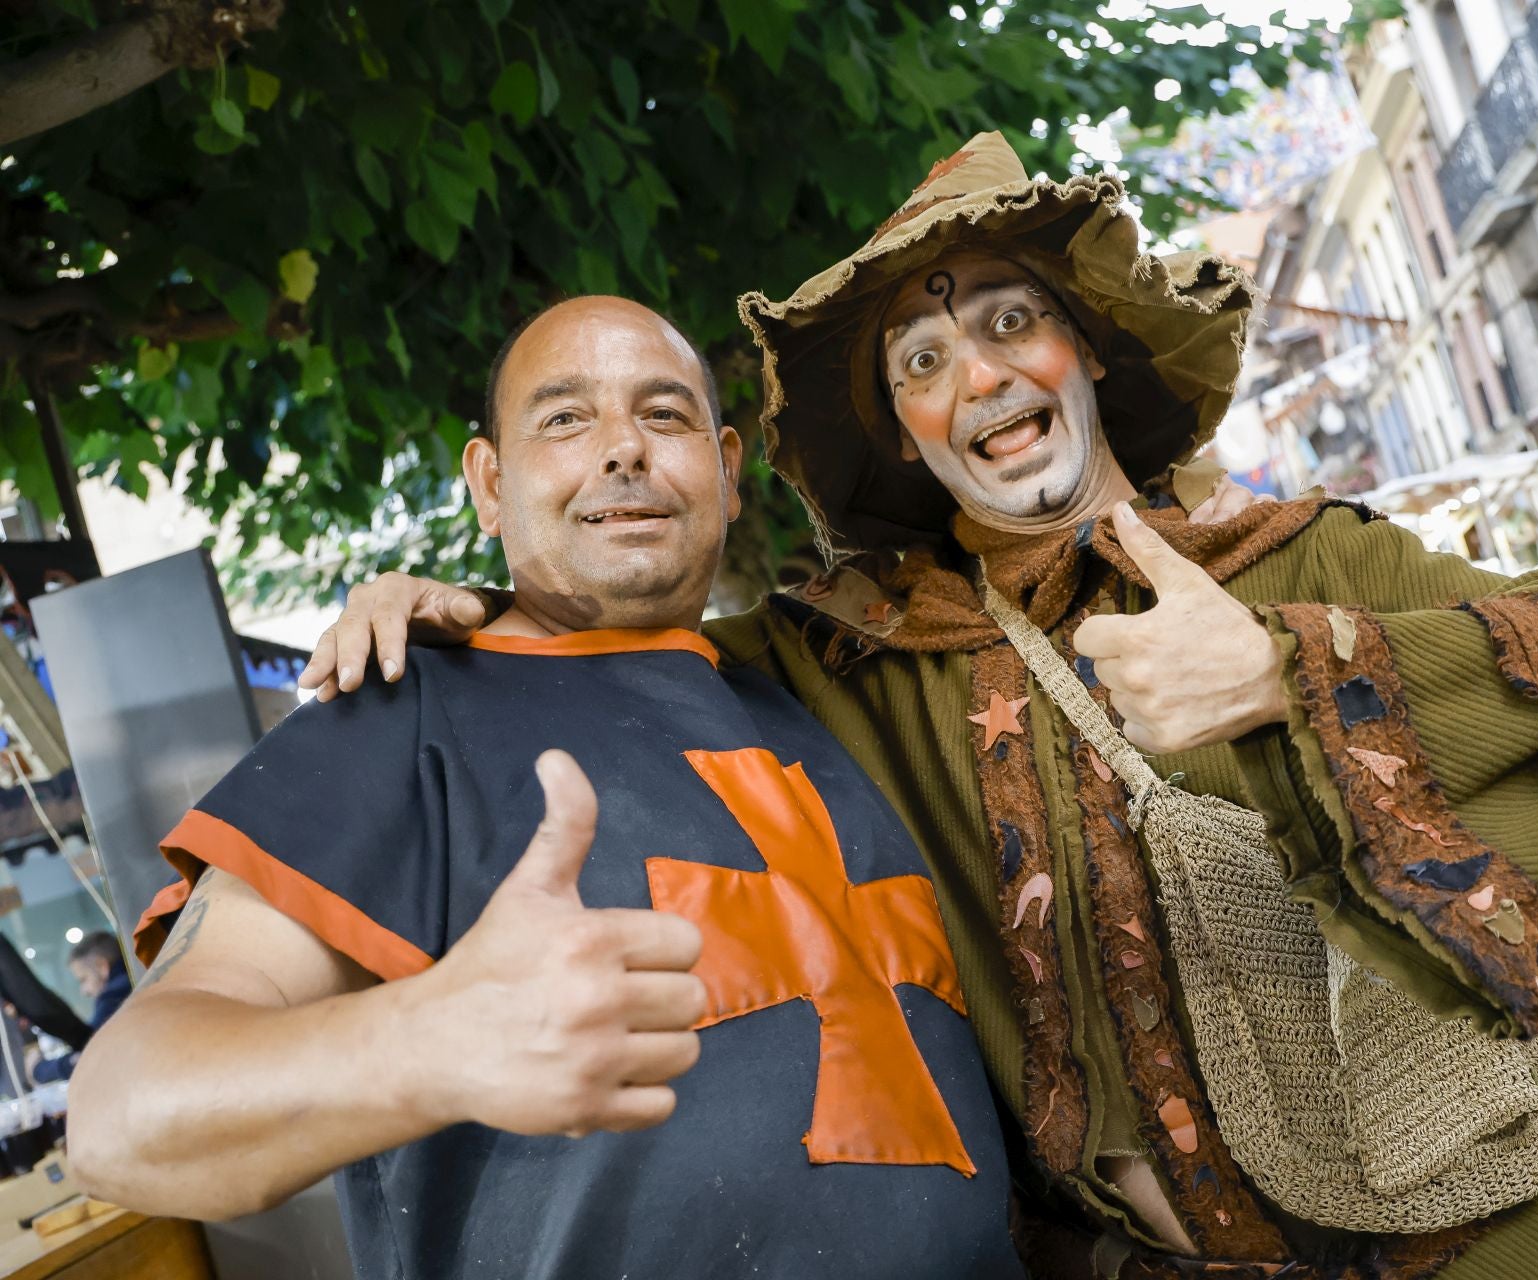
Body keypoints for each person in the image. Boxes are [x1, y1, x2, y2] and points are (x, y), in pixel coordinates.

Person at [314, 134, 1538, 1279]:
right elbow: (610, 634)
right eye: (919, 362)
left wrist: (1288, 672)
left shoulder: (1304, 559)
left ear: (1086, 352)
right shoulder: (849, 659)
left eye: (1006, 322)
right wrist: (449, 609)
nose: (974, 375)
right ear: (907, 433)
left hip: (1457, 1250)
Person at [67, 297, 1024, 1279]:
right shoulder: (396, 716)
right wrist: (429, 1037)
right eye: (565, 418)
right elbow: (122, 1115)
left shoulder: (820, 687)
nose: (623, 449)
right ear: (489, 483)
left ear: (729, 471)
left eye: (664, 414)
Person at [28, 932, 132, 1083]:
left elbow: (88, 1055)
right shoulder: (134, 978)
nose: (85, 991)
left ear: (102, 966)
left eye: (84, 979)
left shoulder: (115, 994)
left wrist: (39, 1070)